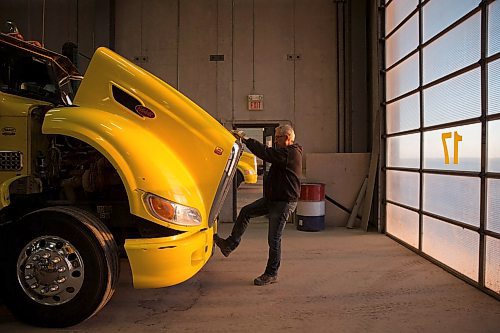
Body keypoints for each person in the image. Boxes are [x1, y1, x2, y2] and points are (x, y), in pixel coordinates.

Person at [214, 124, 303, 286]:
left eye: (278, 137)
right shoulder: (284, 152)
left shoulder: (290, 153)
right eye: (275, 137)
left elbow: (265, 153)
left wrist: (246, 139)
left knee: (274, 239)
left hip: (284, 203)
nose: (275, 141)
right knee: (246, 212)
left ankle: (271, 273)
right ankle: (229, 244)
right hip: (273, 199)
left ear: (287, 138)